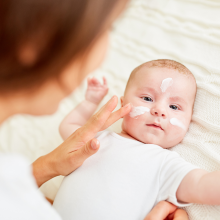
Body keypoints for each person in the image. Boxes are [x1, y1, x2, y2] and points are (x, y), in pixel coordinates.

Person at [0, 0, 188, 219]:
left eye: (174, 106)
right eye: (107, 28)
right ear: (39, 39)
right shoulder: (102, 140)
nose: (159, 111)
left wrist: (45, 167)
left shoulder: (12, 180)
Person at [53, 59, 217, 220]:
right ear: (123, 104)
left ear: (189, 122)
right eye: (147, 98)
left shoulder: (166, 165)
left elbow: (203, 185)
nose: (159, 110)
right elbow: (69, 125)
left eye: (174, 107)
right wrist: (91, 101)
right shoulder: (98, 139)